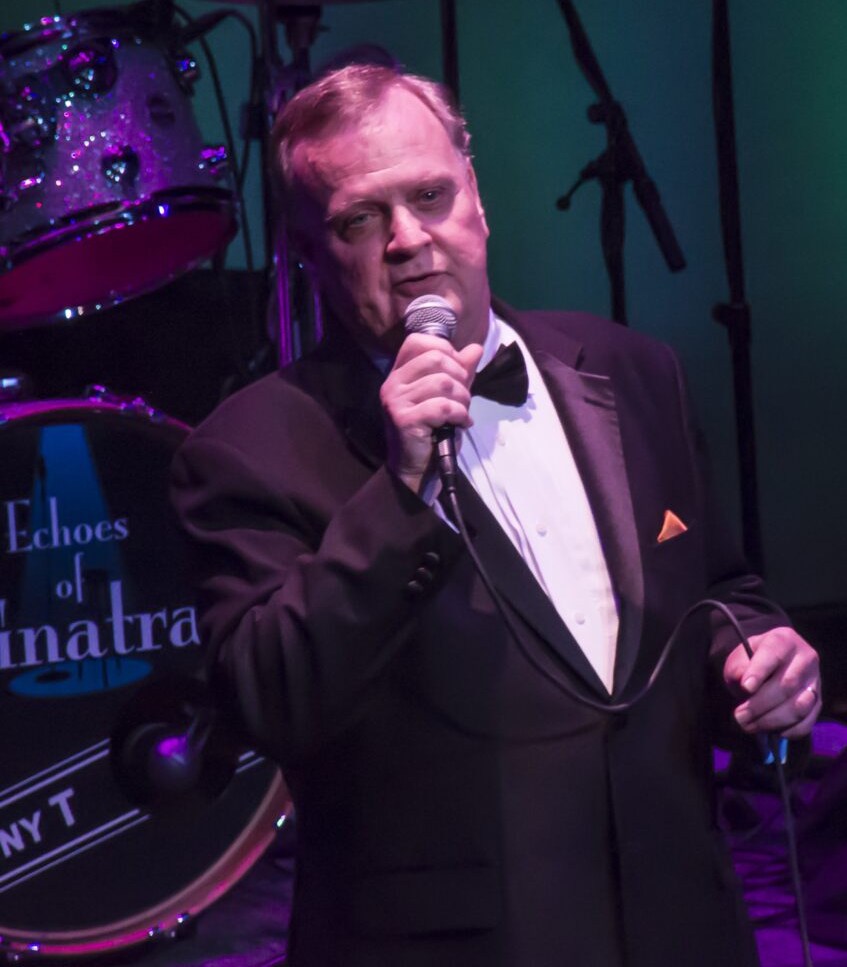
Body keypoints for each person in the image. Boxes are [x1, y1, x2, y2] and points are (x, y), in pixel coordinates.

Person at [171, 64, 821, 967]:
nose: (409, 240)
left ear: (476, 197)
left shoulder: (633, 370)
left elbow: (720, 590)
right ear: (308, 255)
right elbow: (269, 701)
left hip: (680, 922)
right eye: (361, 220)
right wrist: (401, 490)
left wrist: (754, 663)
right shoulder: (248, 449)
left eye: (429, 196)